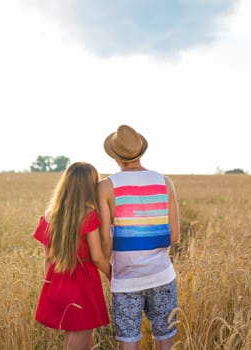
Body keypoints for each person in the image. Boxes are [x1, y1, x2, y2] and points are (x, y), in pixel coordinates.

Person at [98, 125, 180, 350]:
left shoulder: (105, 187)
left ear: (115, 157)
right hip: (162, 275)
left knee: (128, 341)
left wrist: (112, 270)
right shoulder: (165, 182)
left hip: (125, 278)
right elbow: (174, 235)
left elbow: (106, 241)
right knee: (165, 339)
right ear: (140, 152)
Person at [33, 162, 111, 350]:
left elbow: (48, 258)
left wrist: (50, 286)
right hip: (82, 284)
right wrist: (113, 275)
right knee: (78, 338)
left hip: (57, 280)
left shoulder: (50, 215)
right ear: (89, 187)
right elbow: (98, 257)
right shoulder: (89, 215)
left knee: (86, 338)